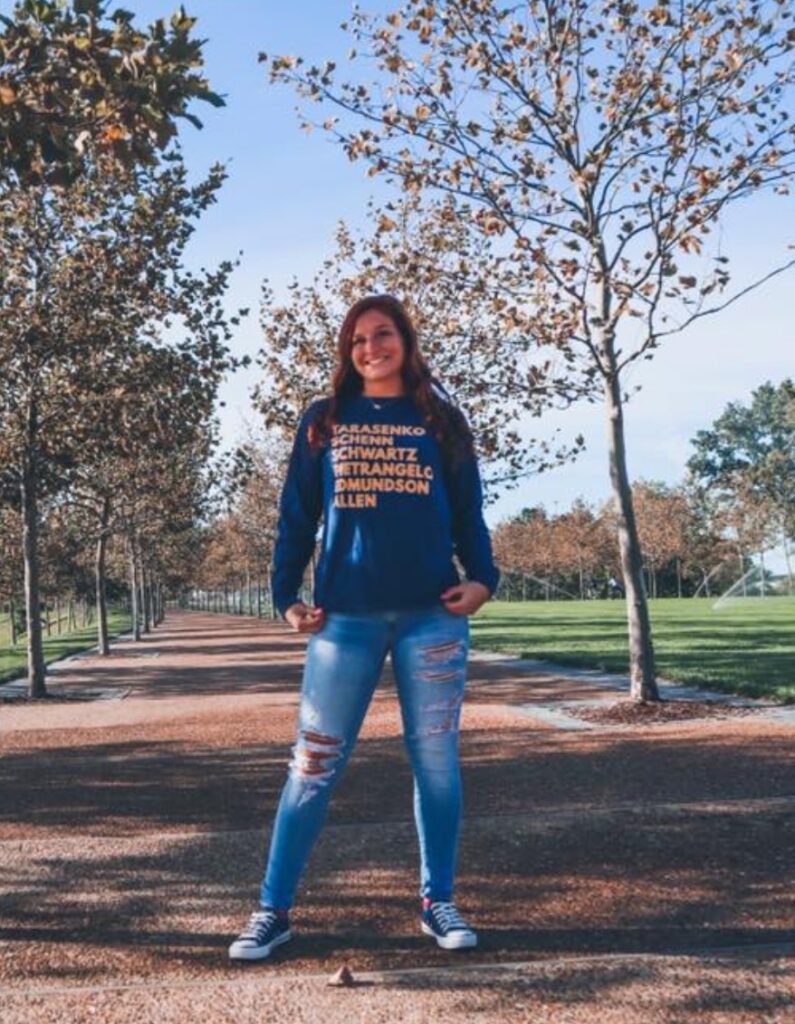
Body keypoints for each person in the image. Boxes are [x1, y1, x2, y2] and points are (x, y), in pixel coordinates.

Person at [229, 294, 499, 962]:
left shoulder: (442, 420)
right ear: (346, 353)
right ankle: (272, 910)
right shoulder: (324, 420)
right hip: (343, 619)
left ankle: (437, 901)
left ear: (405, 340)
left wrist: (483, 579)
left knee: (435, 762)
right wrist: (284, 596)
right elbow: (297, 515)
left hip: (431, 617)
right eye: (357, 339)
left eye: (382, 334)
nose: (370, 348)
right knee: (312, 766)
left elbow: (469, 511)